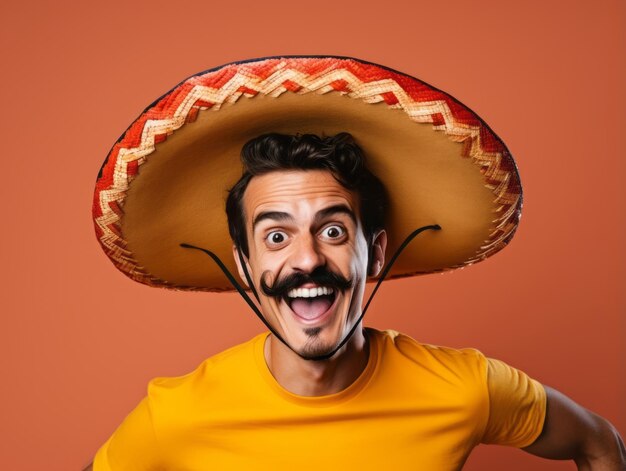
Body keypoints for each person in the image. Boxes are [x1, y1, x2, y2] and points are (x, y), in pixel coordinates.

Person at [87, 57, 625, 470]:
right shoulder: (178, 415)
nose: (307, 258)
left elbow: (598, 442)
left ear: (377, 253)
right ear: (245, 266)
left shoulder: (464, 389)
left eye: (333, 231)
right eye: (276, 236)